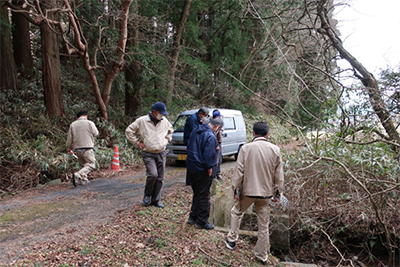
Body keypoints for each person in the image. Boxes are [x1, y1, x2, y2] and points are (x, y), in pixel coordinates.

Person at [224, 122, 284, 265]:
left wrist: (236, 189)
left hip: (248, 192)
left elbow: (239, 172)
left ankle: (231, 240)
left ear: (253, 133)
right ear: (268, 134)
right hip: (266, 195)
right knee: (264, 225)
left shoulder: (245, 149)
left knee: (237, 212)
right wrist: (277, 194)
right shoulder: (275, 150)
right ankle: (261, 255)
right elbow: (279, 175)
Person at [125, 102, 174, 208]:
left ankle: (156, 200)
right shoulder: (142, 120)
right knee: (153, 175)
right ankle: (147, 196)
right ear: (154, 112)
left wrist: (166, 141)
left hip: (161, 152)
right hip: (148, 153)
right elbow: (129, 131)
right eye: (161, 113)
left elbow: (171, 130)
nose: (162, 115)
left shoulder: (164, 121)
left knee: (160, 178)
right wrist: (137, 142)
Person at [186, 118, 224, 230]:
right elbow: (208, 155)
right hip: (202, 169)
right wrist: (209, 169)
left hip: (191, 167)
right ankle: (202, 221)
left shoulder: (195, 130)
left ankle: (192, 217)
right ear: (217, 127)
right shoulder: (210, 136)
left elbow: (190, 147)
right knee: (204, 195)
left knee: (197, 193)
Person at [66, 110, 99, 187]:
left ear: (78, 117)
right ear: (86, 116)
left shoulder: (73, 124)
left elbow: (69, 138)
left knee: (83, 165)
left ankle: (84, 181)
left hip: (77, 148)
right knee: (91, 164)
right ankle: (78, 175)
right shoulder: (90, 123)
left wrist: (68, 146)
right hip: (87, 147)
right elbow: (96, 133)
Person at [183, 107, 209, 185]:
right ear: (200, 114)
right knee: (192, 160)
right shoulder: (193, 119)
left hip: (194, 141)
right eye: (205, 115)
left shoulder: (199, 119)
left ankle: (192, 180)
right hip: (190, 141)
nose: (206, 117)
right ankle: (189, 180)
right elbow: (195, 132)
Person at [212, 109, 223, 180]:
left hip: (219, 143)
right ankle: (214, 176)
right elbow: (213, 136)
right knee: (215, 161)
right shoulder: (212, 124)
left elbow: (219, 134)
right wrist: (216, 145)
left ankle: (218, 173)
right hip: (215, 145)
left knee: (219, 160)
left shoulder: (218, 123)